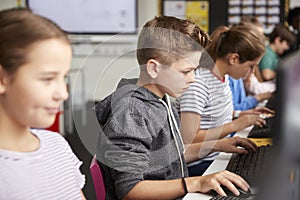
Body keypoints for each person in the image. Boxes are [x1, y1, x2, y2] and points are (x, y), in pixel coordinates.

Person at [95, 16, 256, 199]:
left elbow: (169, 157)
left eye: (194, 70)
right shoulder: (131, 113)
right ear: (154, 69)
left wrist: (217, 145)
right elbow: (130, 190)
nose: (193, 79)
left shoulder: (161, 98)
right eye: (186, 71)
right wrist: (196, 183)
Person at [0, 8, 86, 199]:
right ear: (2, 79)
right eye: (47, 79)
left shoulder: (57, 147)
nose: (63, 94)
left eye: (63, 78)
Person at [178, 25, 272, 176]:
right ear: (234, 59)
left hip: (216, 154)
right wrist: (235, 125)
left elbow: (214, 113)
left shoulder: (223, 78)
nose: (252, 72)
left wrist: (241, 114)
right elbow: (189, 138)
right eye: (251, 66)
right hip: (200, 164)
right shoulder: (198, 85)